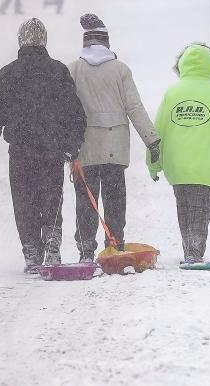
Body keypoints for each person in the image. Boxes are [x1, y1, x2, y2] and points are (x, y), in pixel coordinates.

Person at [0, 18, 87, 273]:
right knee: (52, 198)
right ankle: (52, 243)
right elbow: (75, 113)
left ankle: (31, 251)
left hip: (21, 150)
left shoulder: (8, 74)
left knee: (24, 201)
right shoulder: (58, 72)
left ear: (20, 40)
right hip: (52, 149)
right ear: (44, 40)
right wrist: (72, 145)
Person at [67, 14, 160, 262]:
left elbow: (65, 108)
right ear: (106, 42)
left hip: (85, 147)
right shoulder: (121, 70)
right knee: (114, 197)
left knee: (86, 199)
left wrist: (65, 143)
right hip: (115, 148)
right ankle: (115, 243)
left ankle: (86, 248)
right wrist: (151, 139)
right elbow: (134, 107)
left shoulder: (73, 69)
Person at [149, 43, 210, 264]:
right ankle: (195, 250)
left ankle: (189, 251)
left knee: (183, 208)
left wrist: (154, 164)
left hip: (178, 166)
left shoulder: (172, 93)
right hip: (206, 165)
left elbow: (158, 131)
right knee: (201, 210)